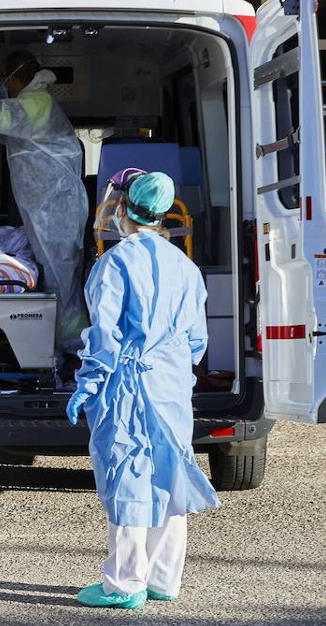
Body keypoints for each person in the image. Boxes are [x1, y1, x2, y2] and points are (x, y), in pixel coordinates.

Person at [65, 171, 220, 609]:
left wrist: (88, 383)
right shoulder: (185, 267)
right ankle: (164, 580)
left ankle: (124, 584)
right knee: (171, 477)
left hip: (128, 386)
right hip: (170, 386)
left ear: (120, 209)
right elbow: (196, 341)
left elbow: (106, 337)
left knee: (129, 478)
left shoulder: (113, 264)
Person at [0, 50, 89, 378]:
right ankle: (61, 346)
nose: (3, 83)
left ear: (16, 75)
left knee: (61, 278)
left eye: (4, 75)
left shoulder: (36, 104)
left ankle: (74, 351)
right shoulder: (34, 108)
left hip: (56, 208)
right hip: (48, 207)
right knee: (55, 275)